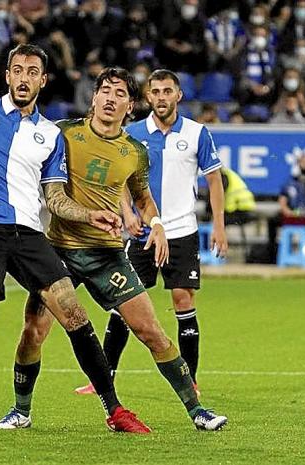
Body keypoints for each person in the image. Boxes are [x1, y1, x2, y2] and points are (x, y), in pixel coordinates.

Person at [0, 44, 150, 434]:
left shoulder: (50, 135)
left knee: (73, 312)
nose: (23, 78)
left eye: (32, 71)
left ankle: (115, 410)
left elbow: (54, 198)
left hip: (27, 233)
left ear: (42, 80)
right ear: (7, 75)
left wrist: (90, 214)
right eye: (17, 70)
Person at [0, 67, 227, 432]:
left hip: (107, 255)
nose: (111, 98)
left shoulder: (133, 151)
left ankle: (197, 411)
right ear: (94, 96)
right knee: (33, 331)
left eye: (120, 94)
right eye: (105, 90)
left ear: (130, 106)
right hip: (59, 251)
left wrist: (158, 225)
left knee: (151, 331)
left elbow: (144, 199)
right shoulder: (62, 134)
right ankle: (21, 410)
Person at [75, 69, 228, 398]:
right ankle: (104, 376)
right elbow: (119, 180)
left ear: (178, 96)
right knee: (122, 304)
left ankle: (190, 379)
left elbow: (214, 181)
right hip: (142, 232)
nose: (161, 97)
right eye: (155, 91)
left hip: (182, 230)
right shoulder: (131, 134)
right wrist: (127, 213)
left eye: (167, 91)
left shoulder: (198, 133)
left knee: (183, 301)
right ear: (147, 98)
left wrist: (218, 226)